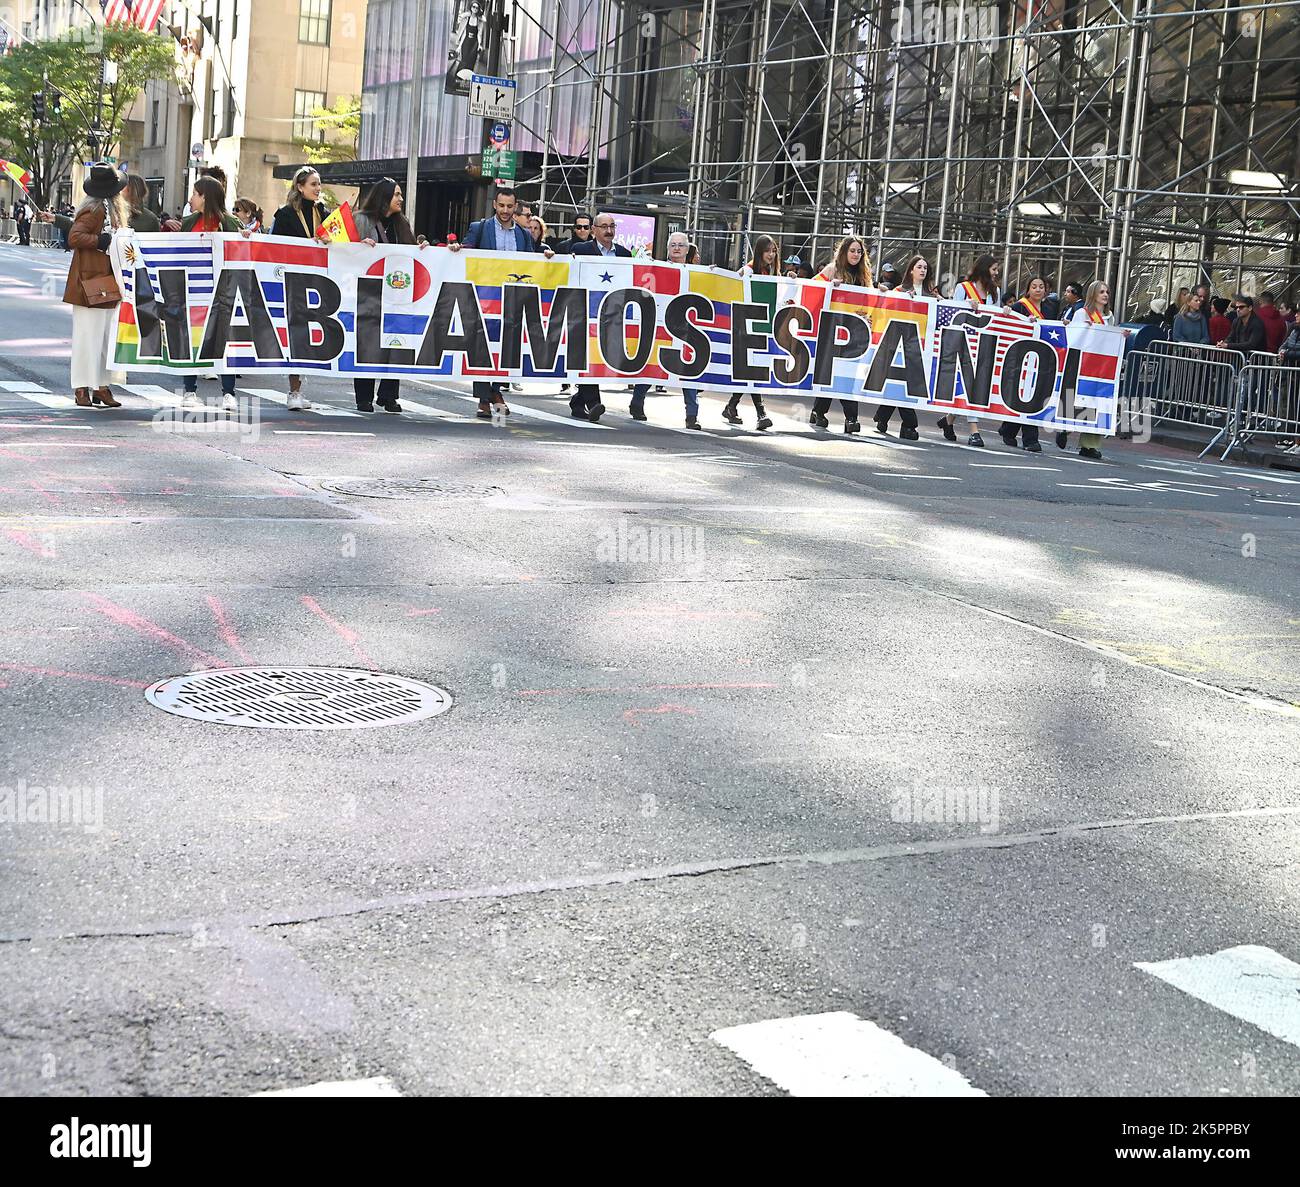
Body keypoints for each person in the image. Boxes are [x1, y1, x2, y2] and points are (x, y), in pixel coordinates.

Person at [450, 186, 554, 418]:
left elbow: (532, 262)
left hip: (512, 300)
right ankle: (486, 399)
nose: (505, 210)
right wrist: (458, 249)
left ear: (515, 207)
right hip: (484, 299)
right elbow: (467, 250)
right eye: (502, 205)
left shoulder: (523, 234)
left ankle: (495, 392)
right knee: (482, 348)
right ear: (495, 205)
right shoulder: (480, 228)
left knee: (506, 349)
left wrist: (545, 257)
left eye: (510, 206)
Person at [352, 177, 432, 414]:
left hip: (398, 295)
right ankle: (363, 397)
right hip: (368, 294)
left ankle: (388, 395)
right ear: (384, 197)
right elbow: (343, 250)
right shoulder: (362, 220)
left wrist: (423, 248)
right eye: (396, 194)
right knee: (367, 344)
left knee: (396, 343)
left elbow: (410, 253)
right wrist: (357, 245)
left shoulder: (401, 223)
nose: (401, 198)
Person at [62, 164, 131, 408]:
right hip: (90, 282)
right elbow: (74, 237)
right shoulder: (95, 210)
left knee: (102, 339)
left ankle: (100, 387)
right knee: (89, 338)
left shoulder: (102, 209)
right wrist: (100, 240)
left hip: (101, 280)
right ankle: (84, 388)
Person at [179, 177, 251, 408]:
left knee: (225, 341)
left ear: (205, 197)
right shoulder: (189, 222)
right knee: (192, 339)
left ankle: (228, 392)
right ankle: (189, 391)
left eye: (195, 194)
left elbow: (245, 255)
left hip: (223, 291)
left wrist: (246, 240)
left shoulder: (231, 224)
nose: (191, 198)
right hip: (193, 291)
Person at [269, 166, 331, 410]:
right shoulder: (284, 214)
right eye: (313, 184)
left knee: (307, 336)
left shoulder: (324, 213)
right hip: (291, 281)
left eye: (319, 184)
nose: (318, 188)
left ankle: (298, 390)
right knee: (294, 334)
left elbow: (341, 242)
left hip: (318, 282)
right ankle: (294, 391)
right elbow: (272, 246)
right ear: (300, 186)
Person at [566, 211, 632, 423]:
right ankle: (593, 402)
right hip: (586, 312)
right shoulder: (581, 249)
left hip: (611, 315)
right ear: (594, 230)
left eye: (612, 226)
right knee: (588, 356)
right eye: (603, 226)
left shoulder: (624, 254)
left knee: (599, 358)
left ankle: (578, 401)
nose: (608, 231)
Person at [936, 253, 1001, 445]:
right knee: (970, 386)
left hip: (983, 346)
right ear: (984, 268)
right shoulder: (963, 288)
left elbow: (995, 319)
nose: (996, 273)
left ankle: (948, 420)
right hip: (963, 344)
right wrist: (966, 305)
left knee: (972, 386)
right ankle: (974, 431)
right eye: (994, 269)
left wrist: (1004, 311)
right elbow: (953, 312)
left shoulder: (993, 293)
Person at [808, 236, 871, 433]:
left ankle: (851, 418)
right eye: (852, 250)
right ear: (844, 252)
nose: (856, 255)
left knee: (849, 375)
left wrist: (868, 315)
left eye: (859, 251)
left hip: (854, 331)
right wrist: (829, 287)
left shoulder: (864, 275)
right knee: (830, 372)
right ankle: (819, 411)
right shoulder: (832, 269)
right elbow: (810, 288)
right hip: (832, 329)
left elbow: (869, 301)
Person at [874, 254, 936, 440]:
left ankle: (883, 415)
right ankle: (909, 424)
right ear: (911, 270)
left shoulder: (931, 295)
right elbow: (887, 310)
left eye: (925, 267)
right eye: (919, 267)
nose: (923, 270)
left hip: (919, 345)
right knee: (905, 383)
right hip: (898, 343)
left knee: (905, 384)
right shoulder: (900, 289)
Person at [721, 235, 779, 429]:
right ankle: (760, 413)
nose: (771, 254)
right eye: (767, 250)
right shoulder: (748, 270)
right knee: (754, 371)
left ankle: (732, 406)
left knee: (752, 371)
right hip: (746, 327)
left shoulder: (771, 272)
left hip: (762, 326)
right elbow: (731, 286)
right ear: (760, 250)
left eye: (774, 251)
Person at [1059, 279, 1117, 459]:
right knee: (1078, 398)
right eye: (1101, 292)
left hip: (1101, 366)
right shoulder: (1082, 313)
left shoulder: (1110, 317)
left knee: (1098, 402)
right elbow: (1074, 337)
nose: (1105, 295)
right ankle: (1066, 428)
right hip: (1082, 363)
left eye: (1107, 292)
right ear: (1093, 294)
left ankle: (1089, 445)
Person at [999, 276, 1050, 452]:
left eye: (1041, 286)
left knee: (1033, 395)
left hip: (1041, 359)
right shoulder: (1018, 307)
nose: (1038, 289)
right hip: (1021, 357)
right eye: (1034, 286)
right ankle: (1030, 439)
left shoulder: (1050, 308)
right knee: (1025, 395)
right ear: (1028, 290)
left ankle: (1008, 429)